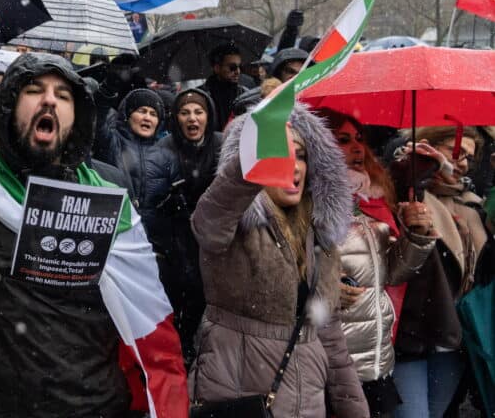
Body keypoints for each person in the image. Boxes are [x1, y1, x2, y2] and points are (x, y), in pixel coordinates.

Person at [0, 0, 185, 416]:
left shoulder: (110, 196)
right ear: (8, 109)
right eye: (34, 91)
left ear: (77, 116)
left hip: (91, 406)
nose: (48, 101)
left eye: (62, 95)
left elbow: (141, 310)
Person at [190, 104, 370, 418]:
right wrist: (248, 165)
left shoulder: (319, 235)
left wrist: (354, 409)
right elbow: (209, 223)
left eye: (300, 155)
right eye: (280, 154)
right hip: (238, 398)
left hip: (307, 403)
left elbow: (329, 335)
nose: (293, 165)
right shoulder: (233, 223)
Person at [318, 109, 436, 417]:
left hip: (376, 364)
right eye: (343, 140)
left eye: (359, 139)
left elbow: (394, 273)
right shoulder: (309, 204)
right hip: (332, 370)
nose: (357, 148)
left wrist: (416, 235)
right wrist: (324, 286)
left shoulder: (373, 199)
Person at [390, 126, 491, 418]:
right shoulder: (407, 193)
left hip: (454, 341)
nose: (461, 163)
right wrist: (412, 167)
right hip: (412, 337)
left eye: (468, 158)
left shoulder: (472, 205)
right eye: (454, 152)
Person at [157, 88, 221, 366]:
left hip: (213, 239)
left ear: (209, 116)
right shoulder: (164, 149)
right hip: (176, 240)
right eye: (185, 112)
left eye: (198, 112)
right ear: (176, 118)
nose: (192, 118)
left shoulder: (221, 145)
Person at [92, 86, 182, 270]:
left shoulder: (167, 153)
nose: (147, 117)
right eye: (141, 111)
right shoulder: (111, 142)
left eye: (153, 113)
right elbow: (97, 119)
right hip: (116, 239)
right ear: (127, 115)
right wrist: (109, 88)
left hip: (153, 245)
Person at [202, 43, 247, 130]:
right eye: (232, 67)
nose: (238, 71)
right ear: (217, 68)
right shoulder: (202, 96)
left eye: (240, 66)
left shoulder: (244, 93)